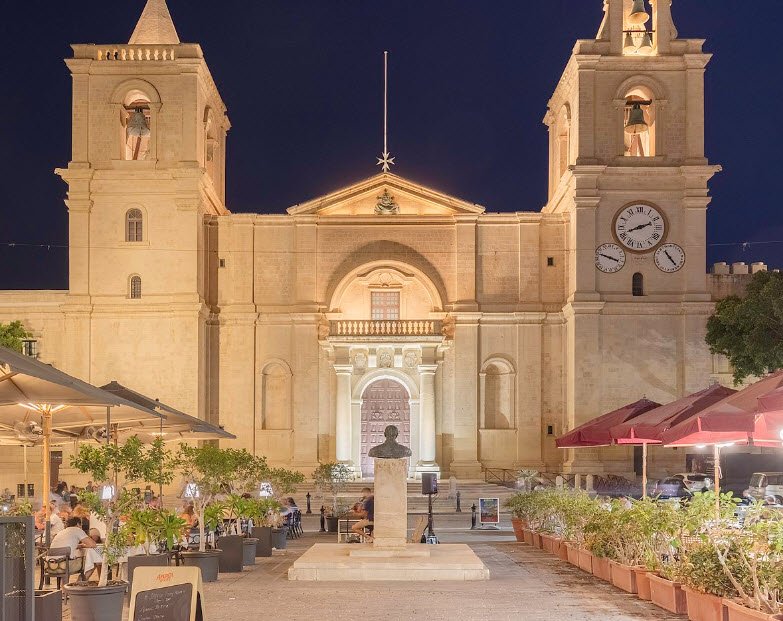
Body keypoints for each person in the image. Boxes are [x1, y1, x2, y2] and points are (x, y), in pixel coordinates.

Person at [48, 516, 102, 581]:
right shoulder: (77, 530)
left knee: (69, 558)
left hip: (50, 565)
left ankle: (65, 589)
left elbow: (67, 545)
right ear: (78, 524)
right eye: (80, 525)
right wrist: (84, 545)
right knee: (93, 561)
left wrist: (80, 546)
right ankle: (79, 583)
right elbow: (93, 544)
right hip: (65, 565)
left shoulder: (61, 532)